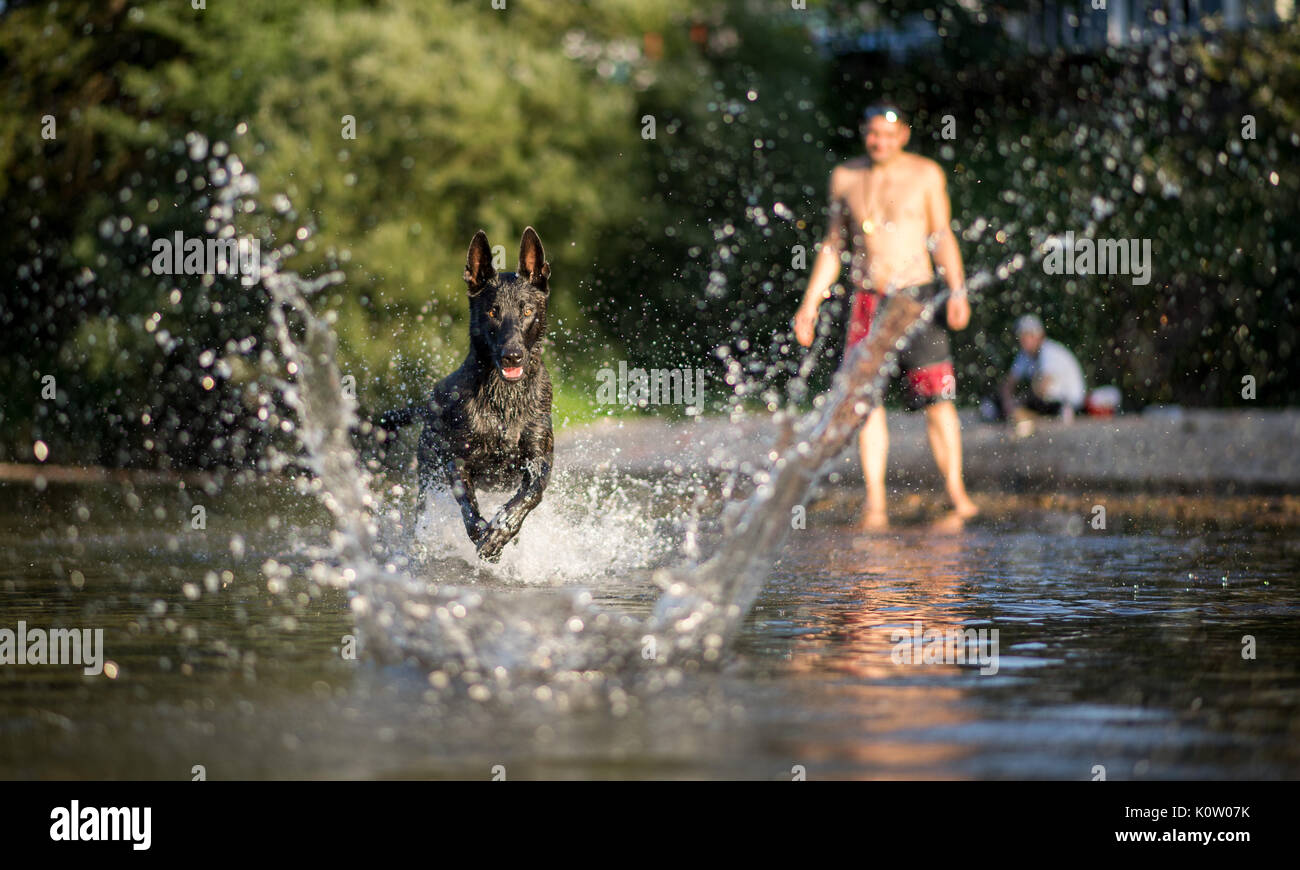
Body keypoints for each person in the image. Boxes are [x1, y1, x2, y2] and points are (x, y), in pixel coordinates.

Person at [793, 103, 978, 531]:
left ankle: (957, 494)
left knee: (938, 399)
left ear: (904, 135)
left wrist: (958, 289)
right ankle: (875, 502)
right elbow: (833, 246)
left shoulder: (925, 174)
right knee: (865, 402)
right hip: (867, 300)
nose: (880, 142)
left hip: (916, 297)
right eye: (873, 134)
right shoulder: (845, 178)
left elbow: (942, 234)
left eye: (888, 134)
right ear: (864, 133)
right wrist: (810, 302)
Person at [999, 315, 1086, 421]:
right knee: (994, 405)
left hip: (1067, 403)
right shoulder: (1025, 354)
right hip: (1048, 402)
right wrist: (1007, 402)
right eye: (1022, 336)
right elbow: (1009, 383)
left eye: (1028, 335)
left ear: (1039, 335)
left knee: (1026, 406)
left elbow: (1044, 386)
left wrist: (1019, 404)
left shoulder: (1049, 351)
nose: (1024, 340)